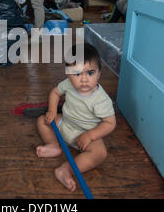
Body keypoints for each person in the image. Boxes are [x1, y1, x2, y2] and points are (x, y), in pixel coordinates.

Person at [36, 43, 116, 192]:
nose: (84, 79)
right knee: (42, 120)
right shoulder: (68, 84)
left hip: (86, 137)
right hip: (66, 125)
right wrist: (52, 111)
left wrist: (90, 135)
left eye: (90, 73)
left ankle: (66, 169)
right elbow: (55, 92)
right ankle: (53, 144)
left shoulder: (101, 100)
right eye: (77, 74)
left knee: (100, 153)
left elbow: (110, 123)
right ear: (68, 74)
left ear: (98, 74)